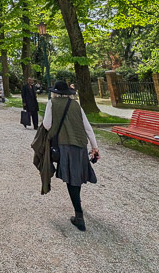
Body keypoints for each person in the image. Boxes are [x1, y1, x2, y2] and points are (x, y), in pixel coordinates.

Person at [43, 81, 99, 232]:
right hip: (80, 145)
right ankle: (78, 205)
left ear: (55, 92)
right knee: (76, 178)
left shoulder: (52, 103)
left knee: (72, 178)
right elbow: (87, 127)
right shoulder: (76, 105)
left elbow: (47, 124)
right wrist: (95, 147)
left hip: (64, 144)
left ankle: (79, 215)